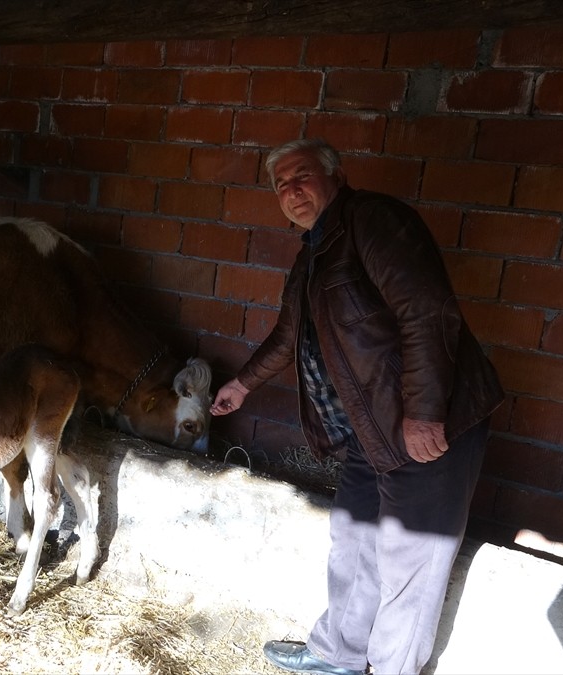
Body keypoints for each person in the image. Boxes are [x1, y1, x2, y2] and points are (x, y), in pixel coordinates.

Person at [211, 139, 504, 675]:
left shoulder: (374, 221)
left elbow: (427, 313)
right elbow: (288, 334)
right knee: (353, 540)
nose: (291, 191)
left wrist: (423, 411)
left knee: (410, 562)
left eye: (301, 176)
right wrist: (243, 384)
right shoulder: (313, 253)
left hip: (426, 422)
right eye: (280, 185)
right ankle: (338, 655)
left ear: (335, 176)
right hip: (368, 430)